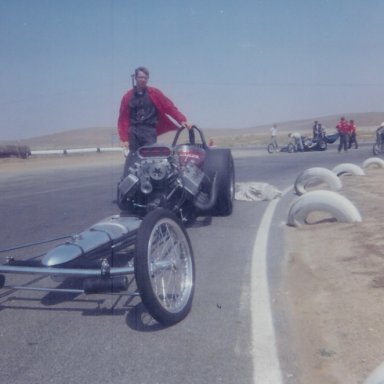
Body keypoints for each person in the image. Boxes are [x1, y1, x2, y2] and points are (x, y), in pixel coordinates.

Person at [118, 66, 191, 175]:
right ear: (136, 78)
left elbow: (169, 107)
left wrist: (182, 120)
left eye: (145, 77)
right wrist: (124, 139)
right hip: (133, 132)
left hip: (149, 131)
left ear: (147, 79)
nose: (143, 79)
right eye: (140, 77)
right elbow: (123, 118)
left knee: (150, 159)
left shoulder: (155, 93)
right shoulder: (127, 96)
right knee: (134, 160)